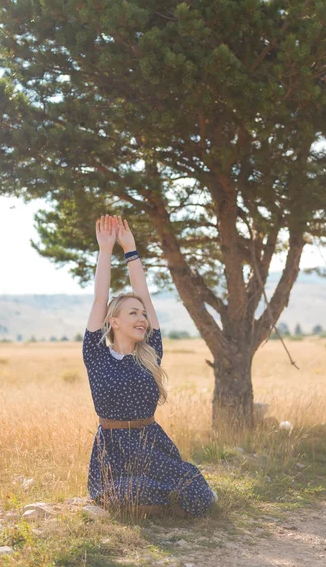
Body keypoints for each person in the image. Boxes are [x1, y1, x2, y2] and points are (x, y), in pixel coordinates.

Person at [82, 213, 218, 518]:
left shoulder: (151, 352)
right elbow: (99, 298)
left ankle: (164, 505)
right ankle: (151, 506)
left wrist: (131, 250)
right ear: (113, 321)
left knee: (199, 495)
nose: (142, 318)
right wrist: (106, 250)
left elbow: (144, 294)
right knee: (130, 492)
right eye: (133, 313)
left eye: (143, 314)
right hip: (113, 450)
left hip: (152, 445)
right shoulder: (96, 354)